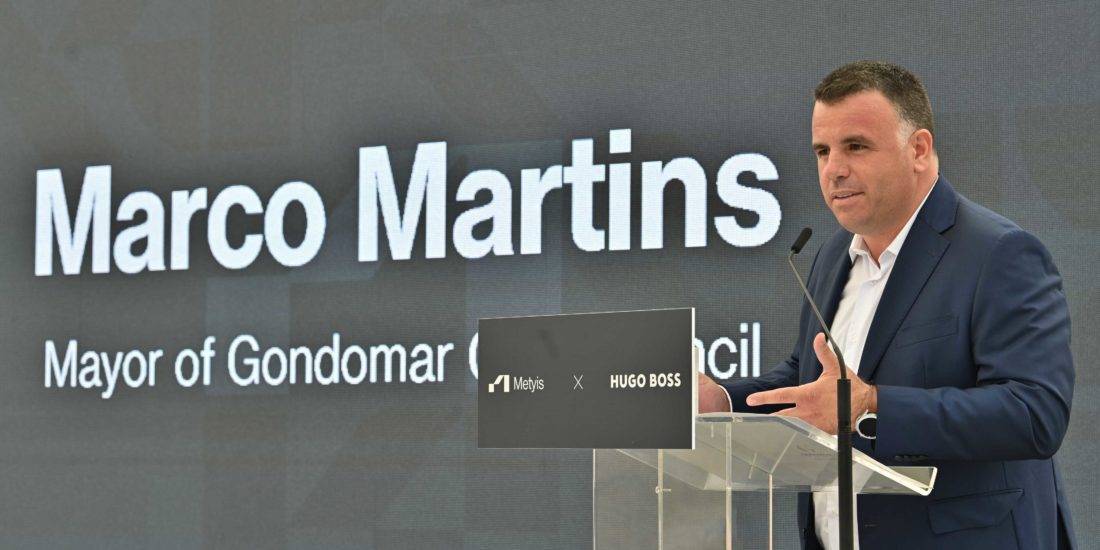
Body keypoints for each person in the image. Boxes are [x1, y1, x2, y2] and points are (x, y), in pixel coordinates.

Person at [698, 61, 1075, 550]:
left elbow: (1034, 413)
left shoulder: (999, 253)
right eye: (822, 151)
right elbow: (811, 381)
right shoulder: (832, 256)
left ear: (918, 149)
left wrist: (871, 405)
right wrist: (724, 401)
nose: (834, 168)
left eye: (856, 146)